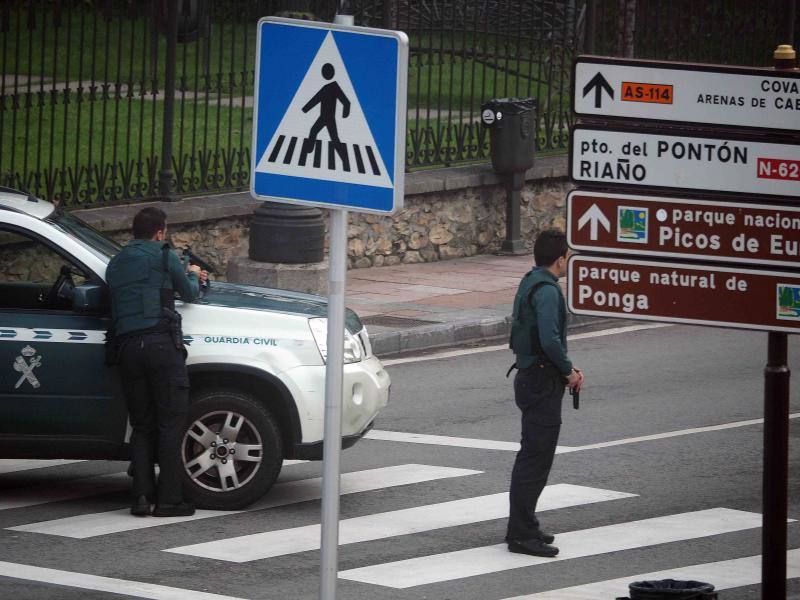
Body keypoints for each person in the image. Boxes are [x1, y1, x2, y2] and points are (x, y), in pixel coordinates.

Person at [106, 206, 206, 517]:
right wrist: (193, 274)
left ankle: (141, 499)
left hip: (128, 350)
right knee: (170, 423)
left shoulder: (116, 262)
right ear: (160, 232)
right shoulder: (165, 255)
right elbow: (189, 293)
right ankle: (170, 500)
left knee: (142, 425)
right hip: (162, 347)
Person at [506, 229, 584, 557]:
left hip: (528, 376)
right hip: (542, 380)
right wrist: (570, 371)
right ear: (560, 259)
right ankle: (522, 534)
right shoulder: (549, 291)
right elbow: (550, 340)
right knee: (535, 460)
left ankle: (523, 525)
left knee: (532, 457)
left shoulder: (530, 280)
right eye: (568, 257)